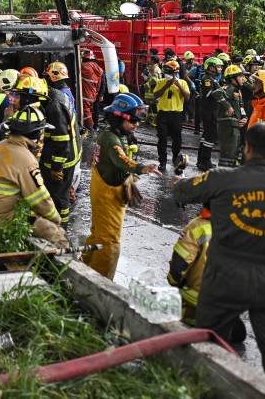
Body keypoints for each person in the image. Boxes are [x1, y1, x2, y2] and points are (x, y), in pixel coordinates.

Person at [173, 123, 265, 393]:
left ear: (248, 148)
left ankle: (198, 391)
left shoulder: (221, 178)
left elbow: (181, 192)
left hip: (225, 279)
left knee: (206, 347)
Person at [82, 93, 160, 279]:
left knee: (97, 233)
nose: (136, 124)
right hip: (107, 194)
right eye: (133, 121)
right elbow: (121, 160)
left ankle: (83, 266)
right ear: (119, 119)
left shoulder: (115, 135)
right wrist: (142, 168)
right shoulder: (110, 139)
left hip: (106, 188)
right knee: (109, 242)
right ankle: (99, 281)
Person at [0, 106, 69, 250]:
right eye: (41, 133)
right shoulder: (26, 159)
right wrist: (56, 221)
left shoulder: (0, 146)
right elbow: (40, 199)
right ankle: (62, 268)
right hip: (5, 218)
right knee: (56, 235)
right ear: (34, 135)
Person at [41, 62, 80, 225]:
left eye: (46, 77)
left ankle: (60, 228)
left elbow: (60, 137)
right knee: (61, 192)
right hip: (70, 154)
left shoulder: (56, 100)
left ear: (52, 76)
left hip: (63, 158)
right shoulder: (65, 93)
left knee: (59, 197)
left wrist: (57, 166)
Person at [153, 60, 190, 172]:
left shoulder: (182, 82)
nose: (167, 73)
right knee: (162, 138)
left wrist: (178, 85)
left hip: (176, 115)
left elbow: (187, 97)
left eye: (170, 71)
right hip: (163, 114)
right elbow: (155, 95)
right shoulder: (161, 81)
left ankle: (175, 159)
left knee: (177, 139)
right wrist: (167, 85)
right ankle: (162, 161)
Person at [211, 64, 247, 167]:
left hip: (235, 126)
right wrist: (228, 106)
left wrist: (244, 118)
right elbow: (216, 93)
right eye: (240, 76)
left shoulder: (238, 90)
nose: (242, 79)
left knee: (234, 154)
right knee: (227, 155)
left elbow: (241, 107)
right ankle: (223, 176)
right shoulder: (229, 87)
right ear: (232, 78)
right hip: (227, 126)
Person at [196, 57, 224, 170]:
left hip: (210, 110)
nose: (220, 69)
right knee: (211, 135)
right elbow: (209, 94)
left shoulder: (213, 79)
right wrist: (222, 90)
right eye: (218, 66)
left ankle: (201, 159)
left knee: (206, 135)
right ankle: (205, 161)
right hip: (209, 111)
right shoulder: (207, 79)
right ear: (211, 67)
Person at [80, 49, 103, 131]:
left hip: (85, 93)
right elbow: (100, 83)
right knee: (90, 110)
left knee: (85, 111)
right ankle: (92, 127)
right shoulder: (98, 68)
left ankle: (90, 128)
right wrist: (98, 94)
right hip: (93, 94)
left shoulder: (85, 66)